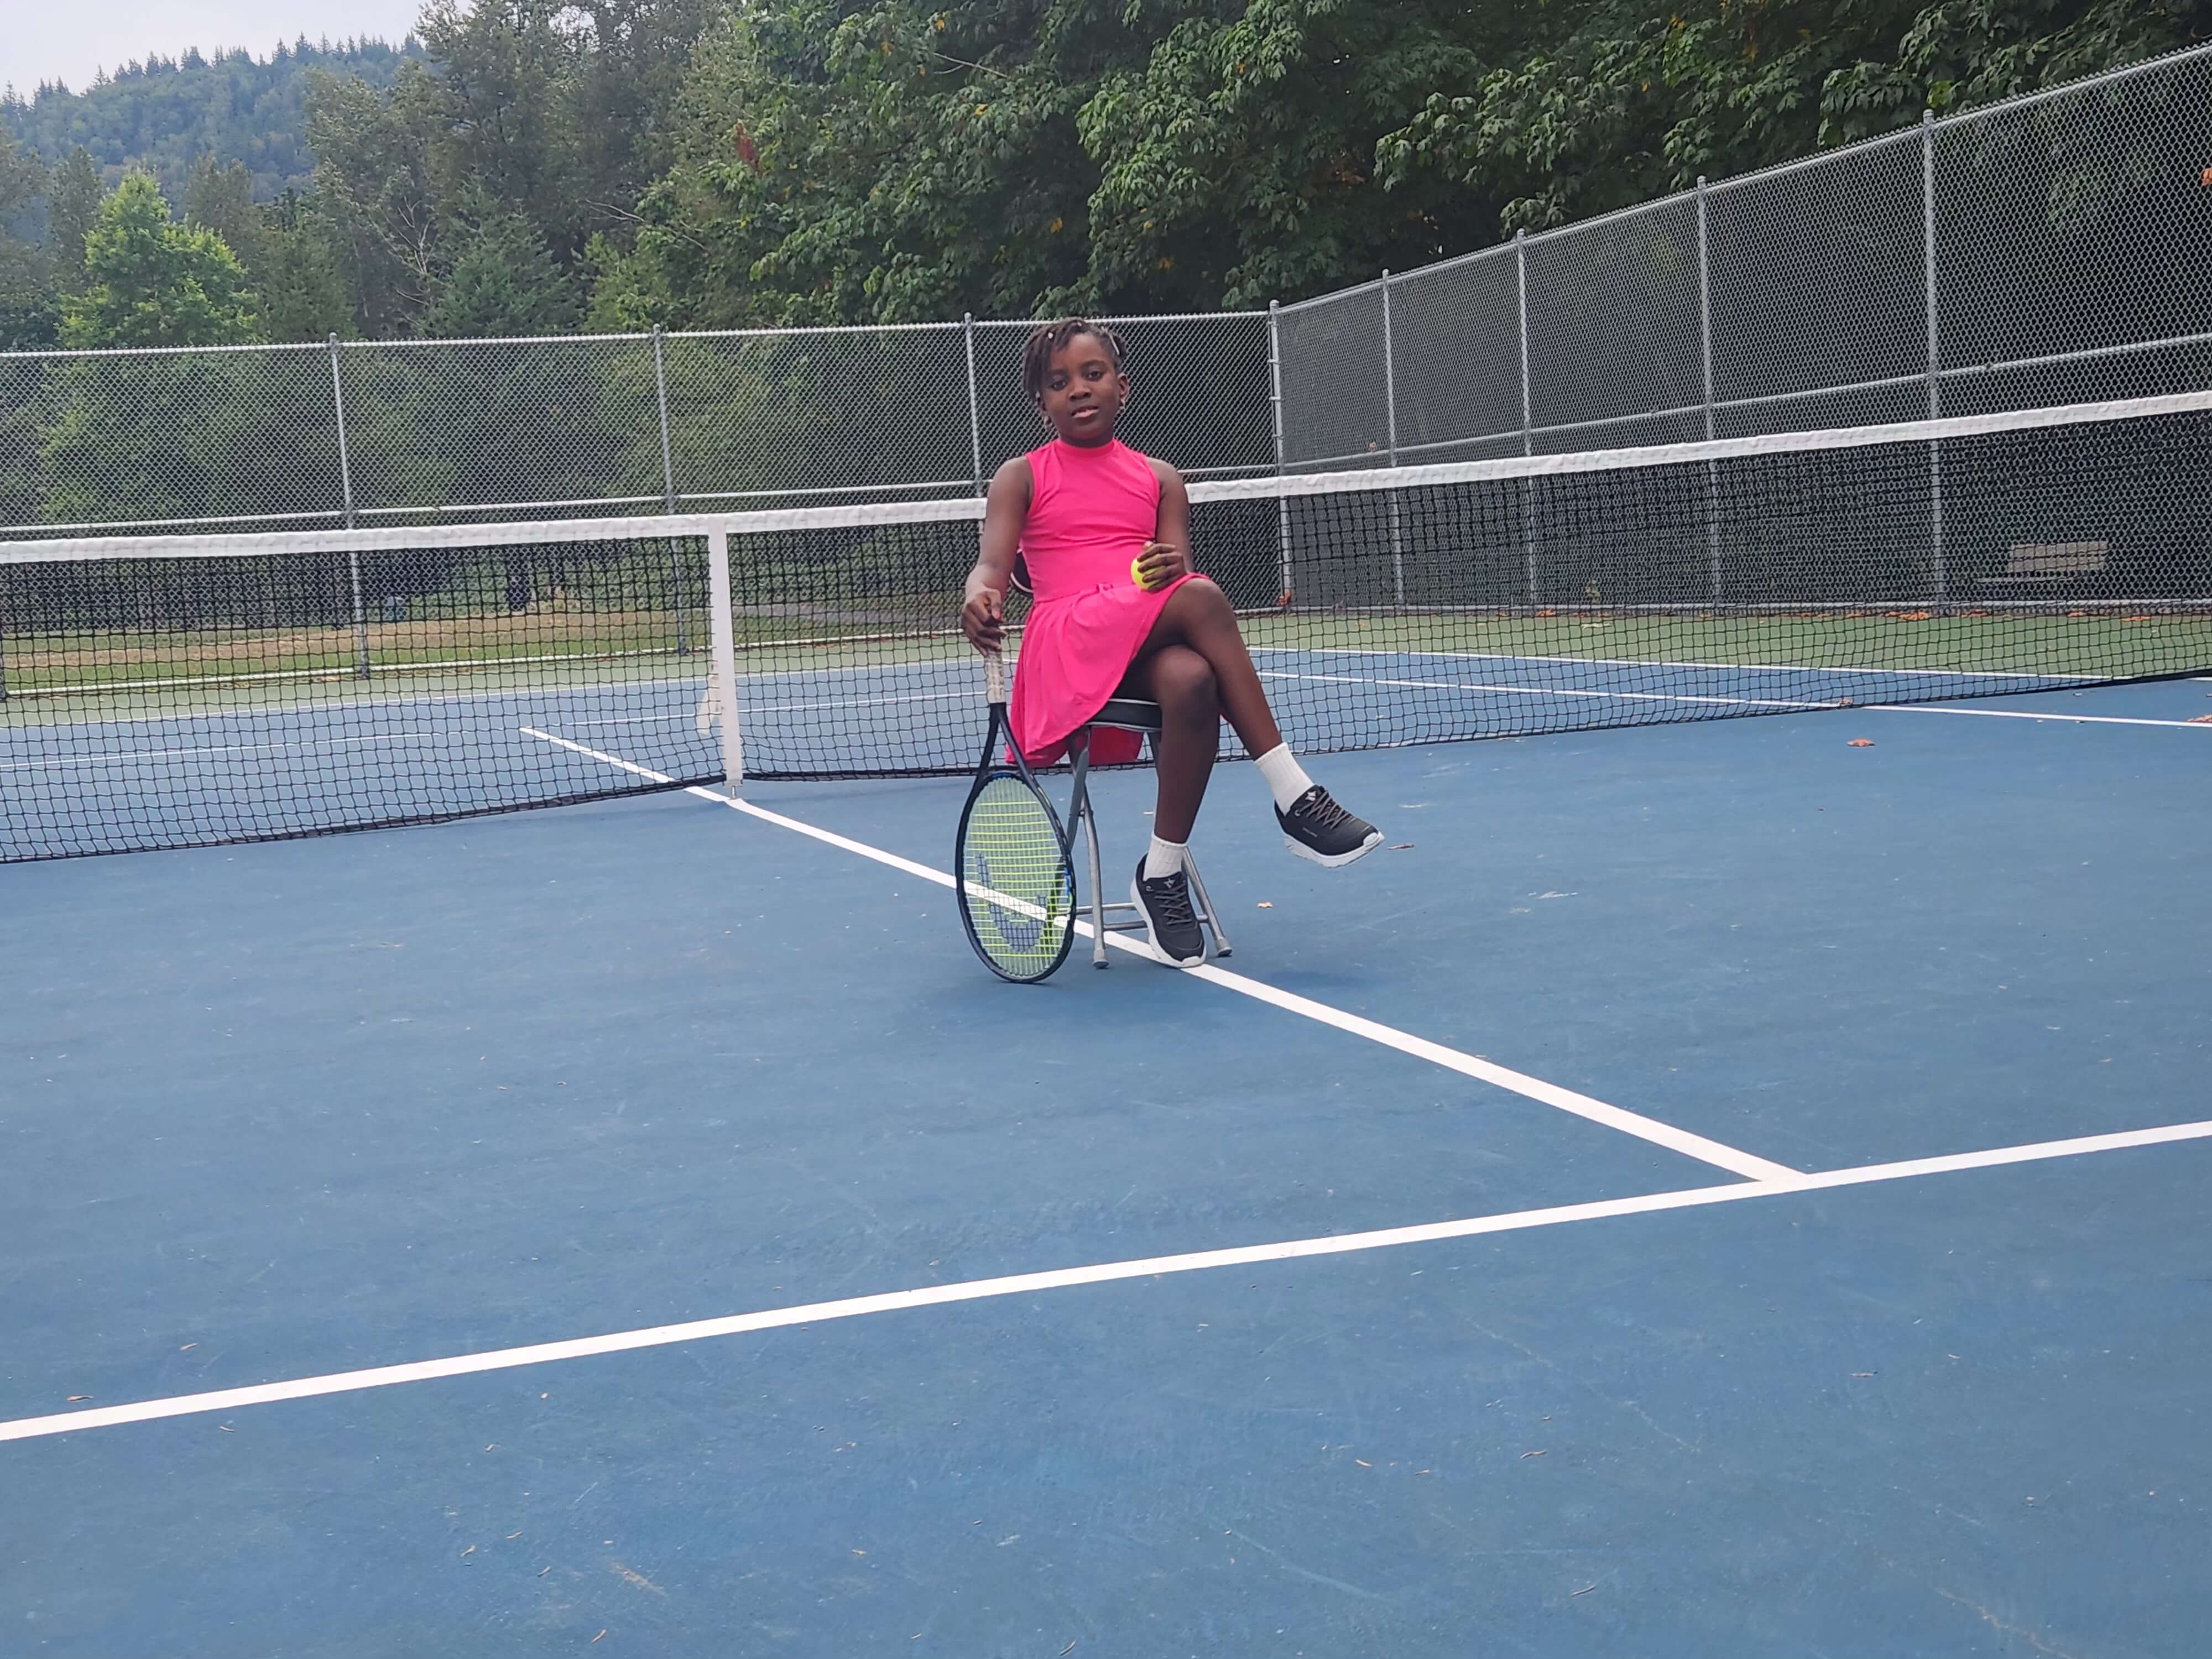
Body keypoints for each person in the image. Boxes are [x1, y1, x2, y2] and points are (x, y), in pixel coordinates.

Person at [960, 317, 1382, 968]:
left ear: (1122, 387)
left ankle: (1159, 875)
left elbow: (1173, 572)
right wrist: (976, 596)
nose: (1078, 390)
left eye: (1092, 375)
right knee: (1205, 599)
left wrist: (1163, 573)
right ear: (1041, 403)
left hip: (1141, 647)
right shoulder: (1021, 476)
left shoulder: (1160, 478)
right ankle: (1294, 795)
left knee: (1191, 680)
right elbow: (992, 567)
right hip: (1068, 647)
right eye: (1058, 382)